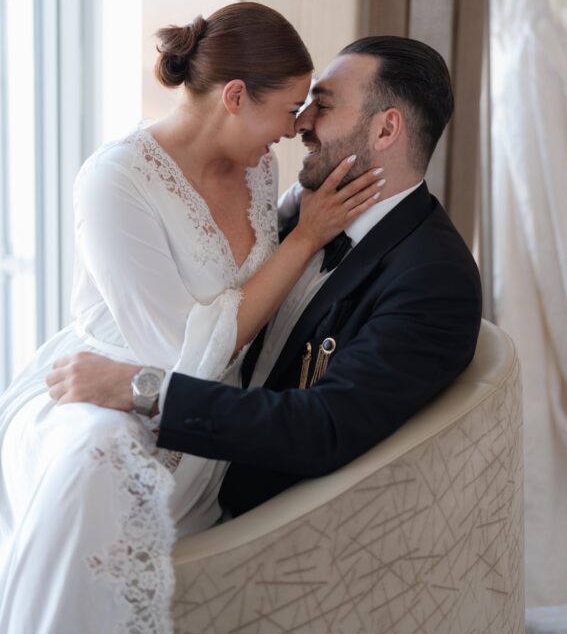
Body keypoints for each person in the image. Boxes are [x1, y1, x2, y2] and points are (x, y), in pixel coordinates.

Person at [0, 2, 382, 634]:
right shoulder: (113, 181)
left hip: (203, 405)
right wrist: (304, 237)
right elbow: (180, 351)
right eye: (286, 106)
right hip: (105, 383)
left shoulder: (258, 167)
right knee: (93, 463)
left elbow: (236, 328)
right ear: (234, 95)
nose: (296, 125)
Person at [49, 36, 483, 525]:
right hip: (182, 420)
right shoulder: (309, 200)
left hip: (246, 506)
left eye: (321, 105)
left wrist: (143, 390)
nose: (299, 124)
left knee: (87, 498)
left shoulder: (434, 280)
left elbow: (322, 429)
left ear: (385, 130)